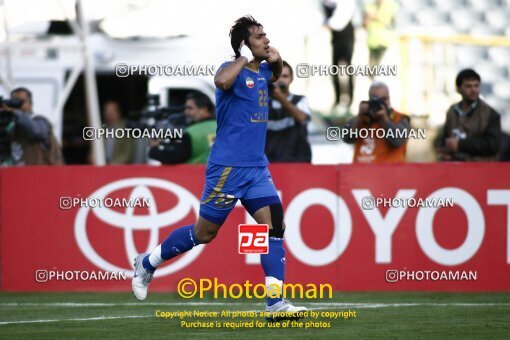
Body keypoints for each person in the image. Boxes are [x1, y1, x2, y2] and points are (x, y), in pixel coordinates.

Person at [132, 15, 306, 320]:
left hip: (256, 168)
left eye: (266, 35)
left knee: (273, 226)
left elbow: (277, 73)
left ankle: (276, 303)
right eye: (259, 36)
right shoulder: (230, 71)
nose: (266, 39)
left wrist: (275, 59)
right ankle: (148, 262)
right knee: (204, 233)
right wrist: (244, 57)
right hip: (226, 168)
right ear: (244, 44)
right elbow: (222, 82)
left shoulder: (264, 72)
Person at [437, 69, 501, 161]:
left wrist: (460, 145)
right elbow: (445, 138)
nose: (473, 90)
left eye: (476, 86)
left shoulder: (490, 114)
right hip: (456, 168)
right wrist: (444, 151)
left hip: (481, 169)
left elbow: (492, 146)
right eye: (468, 86)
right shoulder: (452, 111)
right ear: (459, 89)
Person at [342, 81, 410, 163]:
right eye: (376, 99)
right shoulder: (363, 118)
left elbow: (397, 141)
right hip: (361, 173)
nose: (380, 103)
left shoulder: (399, 118)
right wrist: (359, 116)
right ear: (369, 100)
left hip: (390, 173)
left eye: (384, 99)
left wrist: (384, 120)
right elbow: (346, 138)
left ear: (389, 99)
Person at [1, 87, 63, 166]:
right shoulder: (12, 127)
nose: (17, 106)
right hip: (19, 174)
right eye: (13, 101)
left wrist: (16, 112)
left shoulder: (40, 120)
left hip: (42, 174)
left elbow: (36, 131)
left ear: (30, 103)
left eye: (21, 102)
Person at [148, 92, 216, 164]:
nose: (186, 112)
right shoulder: (222, 127)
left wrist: (154, 149)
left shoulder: (191, 133)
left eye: (190, 108)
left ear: (204, 110)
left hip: (196, 174)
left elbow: (174, 157)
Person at [266, 61, 312, 163]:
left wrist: (281, 98)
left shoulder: (300, 100)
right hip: (269, 165)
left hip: (297, 164)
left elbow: (302, 118)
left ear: (291, 79)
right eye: (277, 76)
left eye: (285, 76)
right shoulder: (262, 103)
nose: (280, 80)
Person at [323, 0, 356, 109]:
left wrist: (329, 23)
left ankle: (349, 100)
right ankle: (337, 100)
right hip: (336, 38)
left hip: (346, 36)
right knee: (335, 69)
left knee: (347, 69)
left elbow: (343, 15)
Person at [363, 0, 399, 68]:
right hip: (372, 43)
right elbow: (364, 24)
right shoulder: (369, 6)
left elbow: (393, 25)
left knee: (383, 69)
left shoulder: (391, 6)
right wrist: (367, 19)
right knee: (372, 70)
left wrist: (377, 17)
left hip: (385, 43)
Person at [102, 100, 135, 164]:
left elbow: (127, 154)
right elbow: (93, 151)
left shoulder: (126, 127)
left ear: (118, 112)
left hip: (119, 167)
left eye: (111, 110)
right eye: (107, 111)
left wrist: (112, 165)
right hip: (102, 165)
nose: (109, 113)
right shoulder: (101, 129)